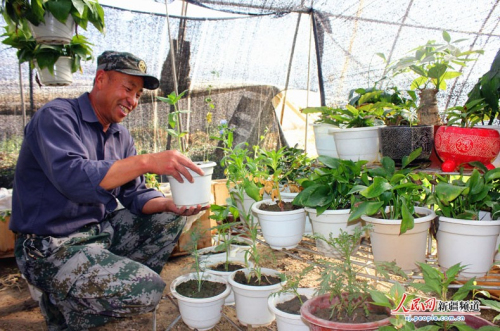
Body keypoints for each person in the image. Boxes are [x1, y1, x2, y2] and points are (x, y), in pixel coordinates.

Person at [9, 51, 207, 330]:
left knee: (168, 220)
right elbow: (73, 177)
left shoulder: (120, 136)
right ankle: (68, 306)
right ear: (100, 79)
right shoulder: (57, 117)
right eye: (128, 89)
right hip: (49, 247)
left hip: (97, 235)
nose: (133, 101)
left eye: (138, 95)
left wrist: (169, 205)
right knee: (147, 290)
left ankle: (89, 291)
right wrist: (148, 161)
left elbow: (135, 195)